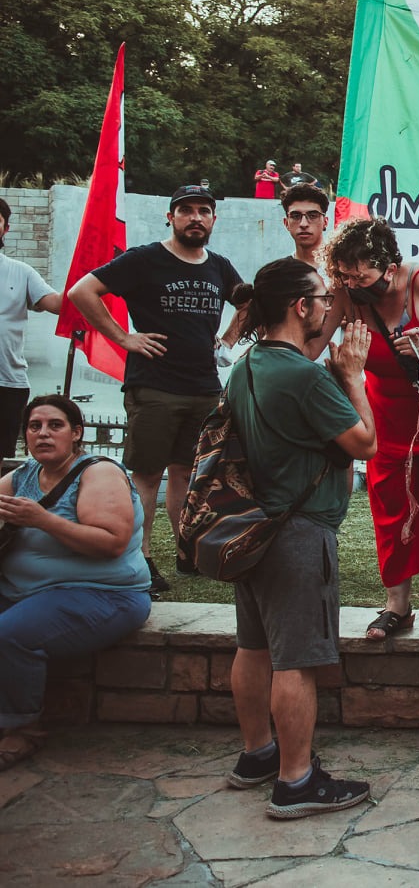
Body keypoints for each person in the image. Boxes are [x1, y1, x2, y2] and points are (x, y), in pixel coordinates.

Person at [220, 258, 377, 816]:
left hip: (252, 529)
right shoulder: (305, 375)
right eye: (322, 298)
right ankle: (295, 781)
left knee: (253, 647)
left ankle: (257, 754)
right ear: (300, 306)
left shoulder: (245, 367)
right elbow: (364, 443)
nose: (328, 308)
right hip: (299, 533)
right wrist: (353, 376)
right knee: (296, 661)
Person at [68, 186, 242, 593]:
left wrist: (228, 340)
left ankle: (186, 550)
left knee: (188, 473)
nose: (195, 217)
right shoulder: (145, 259)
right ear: (171, 217)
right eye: (186, 210)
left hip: (203, 385)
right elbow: (81, 292)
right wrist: (122, 338)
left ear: (213, 219)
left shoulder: (219, 266)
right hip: (155, 386)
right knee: (147, 475)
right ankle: (141, 558)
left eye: (203, 211)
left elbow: (248, 301)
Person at [325, 219, 419, 643]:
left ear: (389, 269)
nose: (352, 283)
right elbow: (312, 343)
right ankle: (397, 604)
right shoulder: (345, 292)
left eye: (361, 276)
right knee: (390, 510)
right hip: (384, 422)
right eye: (345, 275)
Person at [0, 395, 150, 772]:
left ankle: (22, 729)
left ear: (76, 433)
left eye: (55, 425)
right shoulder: (22, 476)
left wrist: (43, 520)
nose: (43, 434)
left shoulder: (98, 474)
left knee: (9, 635)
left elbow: (111, 543)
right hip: (24, 591)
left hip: (102, 594)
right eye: (34, 426)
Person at [0, 199, 63, 458]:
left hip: (7, 383)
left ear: (6, 228)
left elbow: (56, 304)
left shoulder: (21, 272)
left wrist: (90, 282)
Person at [281, 183, 331, 272]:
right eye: (296, 216)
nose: (303, 224)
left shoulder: (345, 270)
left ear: (325, 222)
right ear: (286, 223)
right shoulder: (278, 274)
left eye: (312, 216)